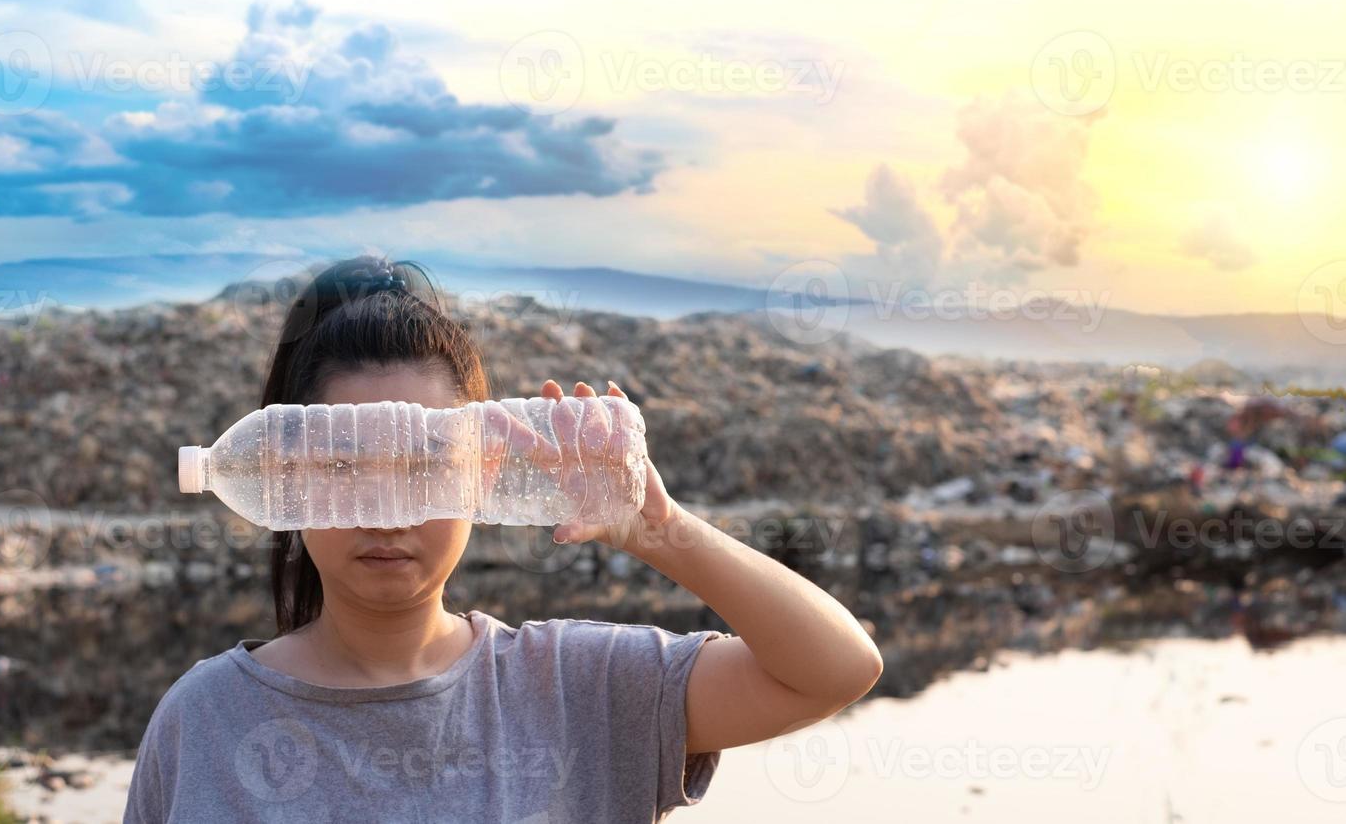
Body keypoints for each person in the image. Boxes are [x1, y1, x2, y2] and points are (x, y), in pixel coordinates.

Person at [123, 255, 883, 823]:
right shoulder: (205, 719)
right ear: (289, 473)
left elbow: (834, 670)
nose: (386, 515)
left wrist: (662, 531)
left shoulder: (581, 688)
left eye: (425, 467)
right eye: (346, 464)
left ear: (486, 467)